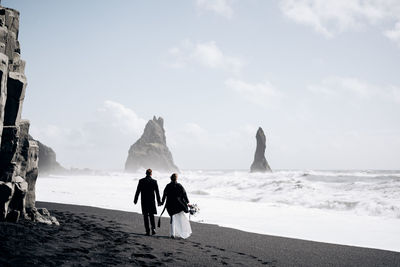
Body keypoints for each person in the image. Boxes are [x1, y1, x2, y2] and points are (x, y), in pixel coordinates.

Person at [161, 173, 192, 239]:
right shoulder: (179, 185)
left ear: (171, 178)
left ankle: (172, 234)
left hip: (170, 204)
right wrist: (187, 202)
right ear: (176, 178)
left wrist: (162, 202)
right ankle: (182, 233)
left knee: (172, 218)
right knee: (180, 219)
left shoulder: (168, 186)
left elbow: (164, 195)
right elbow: (184, 194)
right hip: (178, 204)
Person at [134, 169, 161, 236]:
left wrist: (135, 199)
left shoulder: (141, 181)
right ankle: (153, 228)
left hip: (144, 201)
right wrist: (159, 201)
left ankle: (147, 231)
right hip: (151, 201)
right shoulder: (154, 181)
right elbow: (157, 192)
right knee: (151, 215)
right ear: (151, 174)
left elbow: (138, 191)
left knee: (145, 216)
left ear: (146, 173)